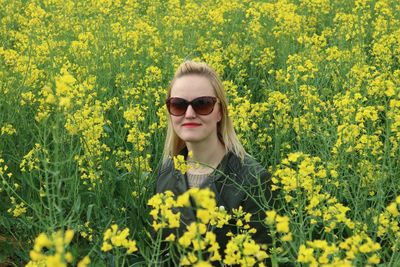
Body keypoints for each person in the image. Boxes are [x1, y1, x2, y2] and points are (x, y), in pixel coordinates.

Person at [155, 60, 276, 264]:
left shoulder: (253, 179)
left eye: (203, 104)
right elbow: (160, 253)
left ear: (220, 111)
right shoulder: (166, 172)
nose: (189, 114)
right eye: (178, 105)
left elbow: (263, 258)